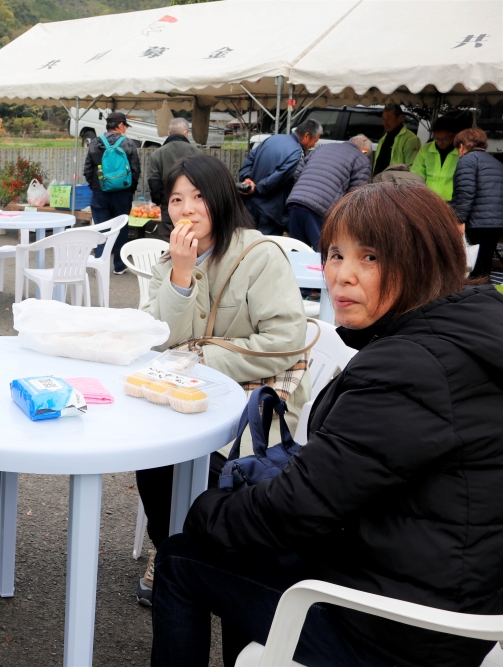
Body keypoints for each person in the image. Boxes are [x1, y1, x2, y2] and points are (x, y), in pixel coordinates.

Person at [150, 182, 503, 667]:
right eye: (336, 255)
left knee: (182, 556)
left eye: (371, 258)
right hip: (461, 592)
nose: (343, 277)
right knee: (237, 545)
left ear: (425, 259)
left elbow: (297, 510)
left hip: (401, 630)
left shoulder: (408, 367)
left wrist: (206, 512)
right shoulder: (475, 329)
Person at [135, 154, 309, 607]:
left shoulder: (258, 254)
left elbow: (286, 341)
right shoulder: (168, 260)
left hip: (258, 396)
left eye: (198, 196)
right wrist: (180, 273)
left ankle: (205, 554)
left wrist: (202, 359)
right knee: (153, 453)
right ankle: (168, 544)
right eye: (176, 199)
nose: (186, 208)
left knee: (211, 466)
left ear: (221, 198)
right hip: (191, 389)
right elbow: (160, 337)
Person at [286, 134, 371, 250]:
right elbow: (356, 195)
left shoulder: (323, 148)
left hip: (295, 202)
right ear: (364, 151)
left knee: (296, 250)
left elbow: (298, 172)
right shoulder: (362, 159)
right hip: (320, 208)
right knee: (323, 254)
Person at [237, 119, 321, 236]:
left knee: (245, 242)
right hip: (270, 210)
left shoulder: (272, 138)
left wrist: (247, 178)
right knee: (265, 248)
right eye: (314, 141)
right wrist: (257, 188)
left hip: (250, 205)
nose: (313, 145)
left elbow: (250, 159)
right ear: (307, 136)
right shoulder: (297, 152)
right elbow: (280, 176)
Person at [83, 111, 141, 274]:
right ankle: (119, 265)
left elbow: (87, 169)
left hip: (100, 192)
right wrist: (130, 190)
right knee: (121, 228)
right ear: (121, 125)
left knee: (102, 229)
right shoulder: (128, 144)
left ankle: (99, 265)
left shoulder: (95, 143)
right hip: (122, 193)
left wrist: (95, 186)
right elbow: (135, 170)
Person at [452, 127, 503, 278]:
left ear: (461, 146)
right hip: (496, 223)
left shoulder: (467, 161)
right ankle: (483, 295)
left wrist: (458, 220)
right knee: (484, 262)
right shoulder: (497, 163)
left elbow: (465, 192)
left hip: (477, 222)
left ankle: (471, 295)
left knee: (471, 264)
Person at [146, 117, 203, 240]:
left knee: (170, 233)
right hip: (194, 201)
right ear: (185, 133)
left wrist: (158, 201)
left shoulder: (158, 153)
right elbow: (204, 179)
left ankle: (172, 258)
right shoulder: (197, 152)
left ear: (169, 133)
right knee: (192, 232)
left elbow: (153, 181)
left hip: (169, 200)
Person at [411, 116, 460, 201]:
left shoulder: (461, 152)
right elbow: (416, 174)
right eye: (437, 139)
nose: (440, 142)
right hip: (427, 199)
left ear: (454, 136)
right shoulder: (426, 149)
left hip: (452, 201)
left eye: (445, 139)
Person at [372, 103, 420, 175]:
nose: (385, 123)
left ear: (400, 118)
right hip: (379, 182)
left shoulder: (411, 139)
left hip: (396, 184)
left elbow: (412, 168)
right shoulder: (383, 139)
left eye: (388, 118)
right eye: (383, 119)